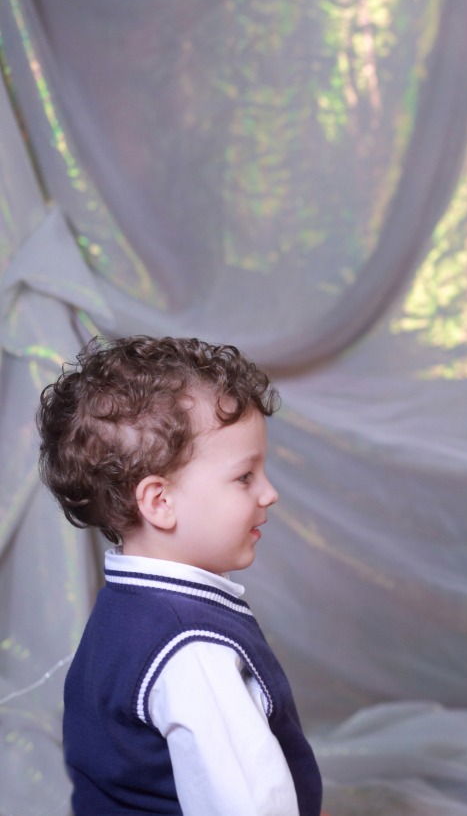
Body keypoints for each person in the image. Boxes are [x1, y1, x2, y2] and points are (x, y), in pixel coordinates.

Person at [37, 335, 323, 815]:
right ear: (160, 502)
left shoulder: (127, 607)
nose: (269, 493)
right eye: (245, 477)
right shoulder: (194, 648)